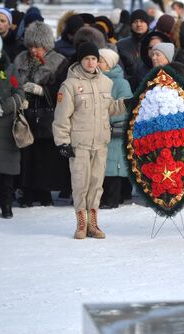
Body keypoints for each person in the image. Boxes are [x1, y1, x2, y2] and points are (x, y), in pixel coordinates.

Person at [52, 42, 127, 239]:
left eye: (94, 58)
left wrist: (125, 104)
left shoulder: (106, 83)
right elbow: (61, 116)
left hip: (100, 141)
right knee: (80, 184)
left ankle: (93, 223)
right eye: (87, 58)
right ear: (80, 60)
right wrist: (63, 142)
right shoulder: (69, 85)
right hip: (79, 143)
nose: (91, 62)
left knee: (96, 184)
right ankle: (81, 223)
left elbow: (109, 108)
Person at [13, 21, 70, 207]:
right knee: (26, 154)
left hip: (47, 115)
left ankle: (44, 191)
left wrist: (42, 91)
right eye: (30, 46)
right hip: (25, 115)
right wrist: (19, 96)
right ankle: (27, 191)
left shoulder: (59, 61)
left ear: (46, 46)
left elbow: (63, 90)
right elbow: (12, 83)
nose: (33, 51)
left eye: (37, 47)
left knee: (45, 155)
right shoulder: (20, 59)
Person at [0, 27, 25, 218]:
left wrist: (3, 108)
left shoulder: (10, 69)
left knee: (7, 171)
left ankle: (6, 205)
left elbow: (19, 94)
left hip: (7, 127)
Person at [97, 48, 133, 209]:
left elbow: (126, 105)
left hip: (113, 132)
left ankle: (112, 199)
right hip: (98, 130)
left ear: (110, 63)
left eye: (101, 60)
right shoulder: (95, 80)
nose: (97, 63)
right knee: (101, 166)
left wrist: (107, 118)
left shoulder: (120, 83)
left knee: (114, 167)